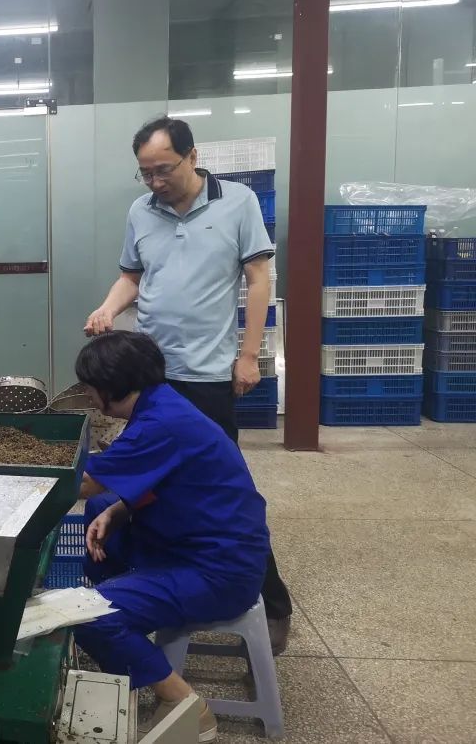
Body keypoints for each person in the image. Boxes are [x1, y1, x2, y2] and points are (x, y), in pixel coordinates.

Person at [83, 116, 293, 653]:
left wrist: (249, 355)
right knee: (153, 481)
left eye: (164, 170)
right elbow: (132, 276)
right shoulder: (141, 211)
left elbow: (259, 279)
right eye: (146, 173)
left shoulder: (238, 202)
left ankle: (273, 604)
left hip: (205, 373)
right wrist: (108, 309)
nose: (155, 182)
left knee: (220, 489)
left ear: (192, 157)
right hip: (150, 372)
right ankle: (153, 583)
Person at [72, 332, 270, 743]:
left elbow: (86, 482)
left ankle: (187, 706)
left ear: (111, 385)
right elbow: (160, 479)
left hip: (218, 571)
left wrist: (23, 473)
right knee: (101, 510)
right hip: (201, 542)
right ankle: (127, 631)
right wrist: (116, 510)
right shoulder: (161, 404)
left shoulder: (160, 424)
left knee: (88, 615)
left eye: (89, 387)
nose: (87, 395)